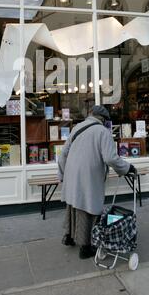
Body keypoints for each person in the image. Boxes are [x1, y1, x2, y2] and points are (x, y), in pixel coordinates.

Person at [58, 105, 136, 259]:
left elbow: (63, 155)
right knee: (89, 208)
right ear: (104, 120)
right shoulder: (103, 132)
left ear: (90, 114)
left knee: (74, 204)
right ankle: (86, 247)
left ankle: (69, 236)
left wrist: (62, 175)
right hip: (89, 176)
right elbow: (110, 158)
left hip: (71, 173)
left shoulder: (77, 127)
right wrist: (127, 168)